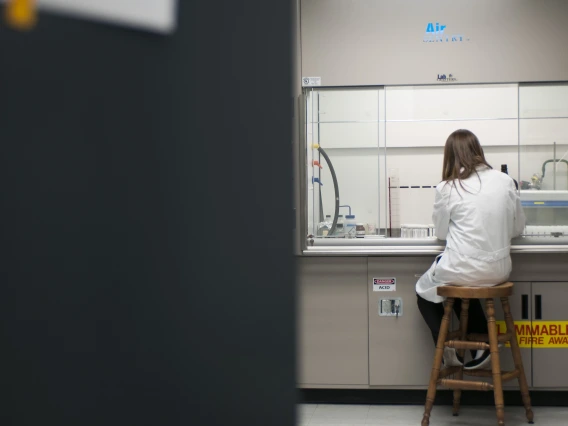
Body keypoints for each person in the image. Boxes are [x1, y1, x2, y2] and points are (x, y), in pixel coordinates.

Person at [416, 129, 526, 370]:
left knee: (425, 291)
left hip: (461, 269)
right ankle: (482, 344)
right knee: (462, 289)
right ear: (478, 151)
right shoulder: (506, 181)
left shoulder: (447, 187)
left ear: (451, 156)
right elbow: (518, 228)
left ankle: (445, 346)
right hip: (498, 273)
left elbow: (442, 234)